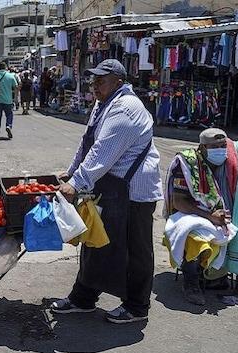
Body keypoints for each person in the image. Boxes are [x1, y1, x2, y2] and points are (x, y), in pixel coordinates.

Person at [50, 59, 164, 324]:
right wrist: (72, 171)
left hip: (134, 192)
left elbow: (104, 151)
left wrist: (76, 183)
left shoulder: (126, 107)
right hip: (111, 188)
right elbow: (88, 142)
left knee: (136, 251)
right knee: (95, 243)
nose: (95, 85)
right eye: (93, 81)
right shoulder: (104, 104)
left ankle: (137, 307)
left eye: (101, 80)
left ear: (118, 83)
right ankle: (83, 299)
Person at [164, 128, 238, 307]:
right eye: (214, 146)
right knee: (192, 235)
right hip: (194, 213)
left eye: (223, 145)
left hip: (229, 214)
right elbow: (178, 201)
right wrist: (210, 216)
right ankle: (191, 284)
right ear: (202, 148)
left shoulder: (234, 162)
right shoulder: (188, 163)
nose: (220, 150)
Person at [0, 62, 18, 140]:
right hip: (8, 99)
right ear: (5, 67)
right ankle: (8, 125)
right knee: (9, 114)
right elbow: (16, 87)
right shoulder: (10, 76)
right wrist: (15, 98)